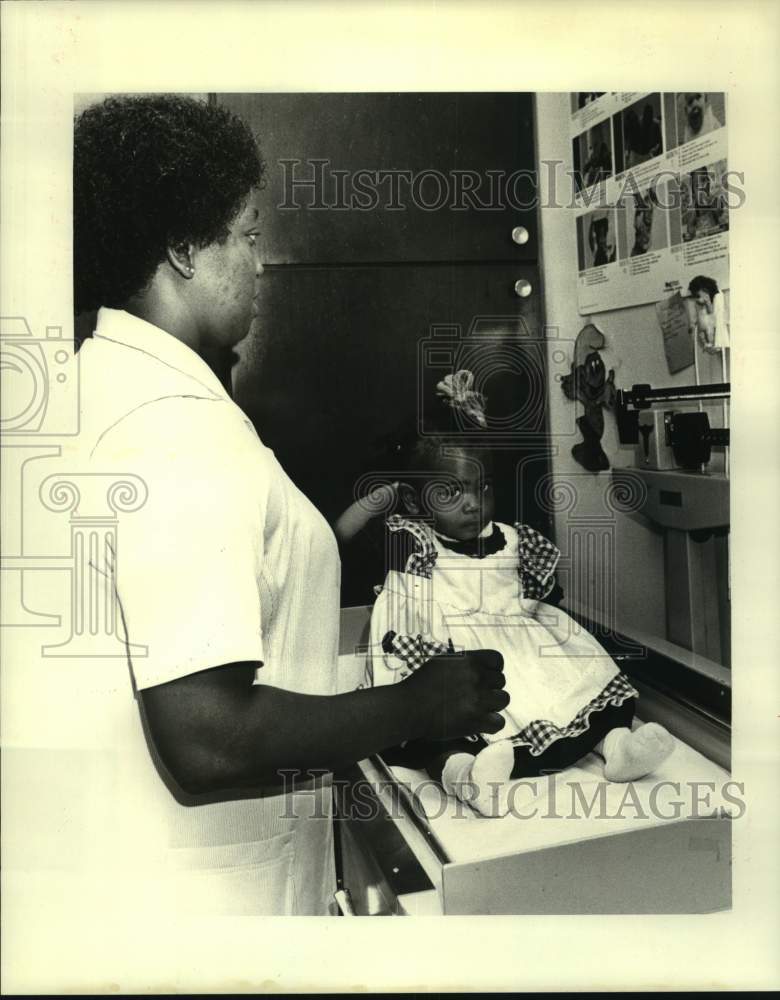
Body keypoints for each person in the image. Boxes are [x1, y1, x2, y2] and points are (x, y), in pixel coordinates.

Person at [73, 95, 509, 916]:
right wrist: (419, 703)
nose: (262, 262)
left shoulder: (105, 385)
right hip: (211, 906)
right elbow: (205, 734)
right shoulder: (174, 426)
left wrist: (365, 674)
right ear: (182, 249)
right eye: (247, 235)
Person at [338, 372, 675, 817]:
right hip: (453, 657)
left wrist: (549, 640)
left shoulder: (515, 540)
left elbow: (543, 599)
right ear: (419, 502)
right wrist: (382, 499)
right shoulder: (415, 541)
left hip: (515, 647)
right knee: (440, 726)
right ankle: (466, 777)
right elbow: (342, 533)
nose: (473, 503)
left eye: (483, 487)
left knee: (577, 688)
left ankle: (616, 748)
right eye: (452, 492)